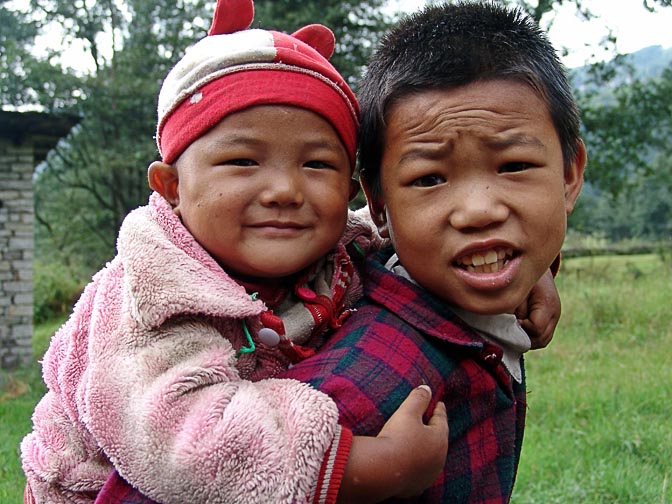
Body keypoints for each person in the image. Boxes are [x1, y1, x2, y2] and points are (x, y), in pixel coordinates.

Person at [20, 0, 450, 503]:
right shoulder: (149, 294)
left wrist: (523, 280)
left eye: (317, 165)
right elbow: (181, 443)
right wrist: (362, 469)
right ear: (171, 187)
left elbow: (414, 250)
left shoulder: (342, 248)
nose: (285, 190)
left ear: (351, 191)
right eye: (243, 160)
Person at [283, 2, 587, 502]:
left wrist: (535, 270)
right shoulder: (372, 382)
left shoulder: (474, 296)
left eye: (513, 166)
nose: (477, 212)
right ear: (379, 207)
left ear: (568, 174)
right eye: (429, 178)